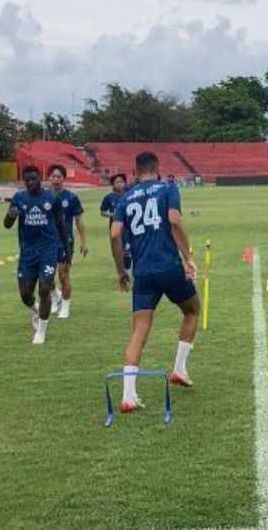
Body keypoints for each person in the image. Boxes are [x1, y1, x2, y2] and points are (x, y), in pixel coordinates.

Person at [109, 152, 201, 414]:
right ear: (157, 167)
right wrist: (188, 257)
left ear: (135, 170)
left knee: (139, 330)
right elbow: (174, 220)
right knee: (193, 310)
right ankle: (179, 369)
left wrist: (121, 271)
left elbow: (115, 234)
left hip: (143, 273)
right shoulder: (168, 188)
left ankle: (128, 396)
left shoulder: (125, 196)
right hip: (169, 266)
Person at [4, 166, 69, 345]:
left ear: (40, 178)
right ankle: (36, 310)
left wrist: (66, 248)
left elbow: (61, 225)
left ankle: (41, 332)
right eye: (27, 180)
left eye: (34, 179)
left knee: (45, 288)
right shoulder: (19, 198)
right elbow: (7, 225)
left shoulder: (52, 199)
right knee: (25, 294)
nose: (31, 183)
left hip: (48, 250)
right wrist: (10, 215)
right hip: (27, 253)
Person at [47, 164, 88, 319]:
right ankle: (55, 296)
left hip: (65, 242)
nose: (56, 179)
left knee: (63, 274)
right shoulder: (43, 197)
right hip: (47, 242)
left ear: (63, 179)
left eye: (59, 176)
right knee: (46, 276)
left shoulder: (71, 197)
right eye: (53, 176)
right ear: (49, 178)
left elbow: (79, 221)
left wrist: (84, 242)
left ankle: (65, 306)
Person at [101, 173, 132, 272]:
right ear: (113, 185)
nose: (120, 184)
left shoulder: (129, 196)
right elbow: (103, 211)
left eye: (121, 182)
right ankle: (121, 272)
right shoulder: (109, 197)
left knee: (128, 252)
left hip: (128, 229)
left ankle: (127, 271)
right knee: (117, 253)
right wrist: (112, 215)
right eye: (117, 182)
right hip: (115, 229)